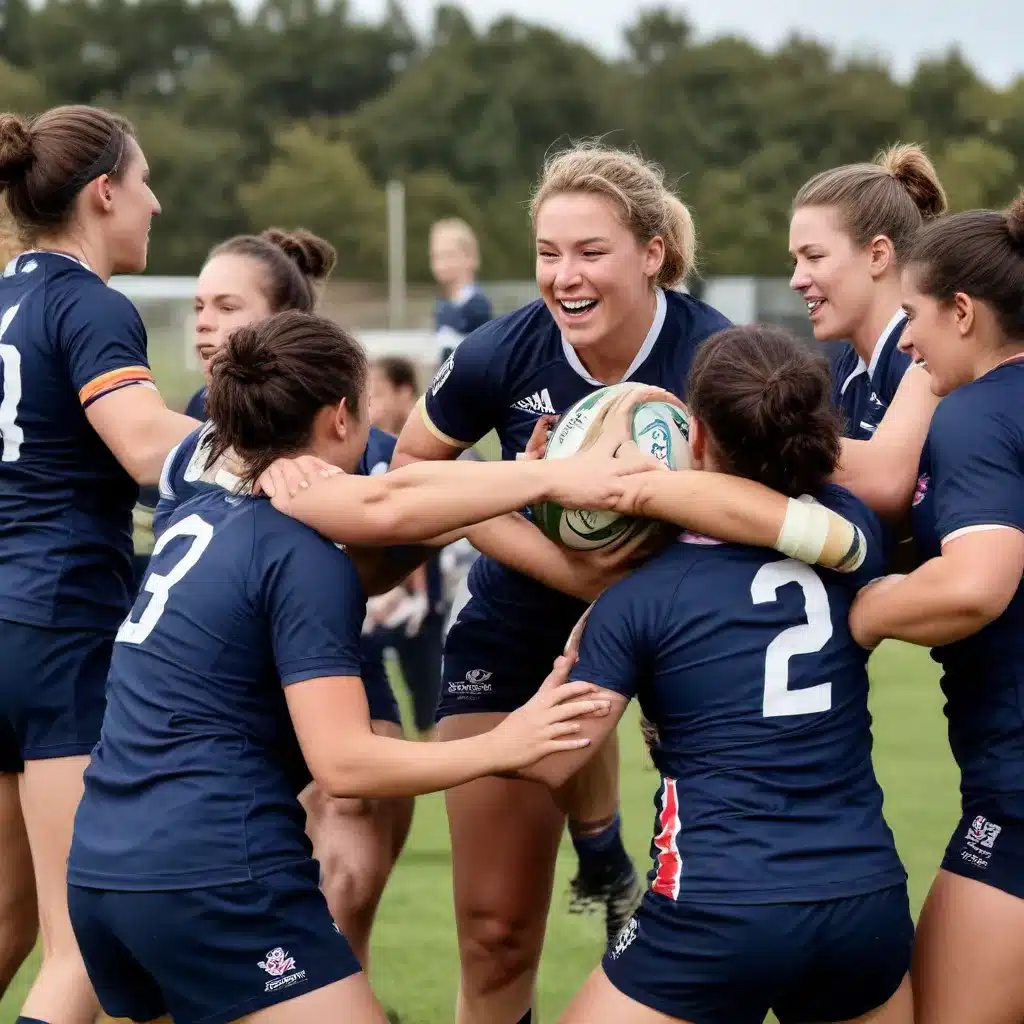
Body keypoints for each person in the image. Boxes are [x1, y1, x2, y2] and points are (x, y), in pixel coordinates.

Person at [66, 309, 636, 1024]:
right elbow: (345, 764)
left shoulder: (198, 503)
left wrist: (520, 481)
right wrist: (505, 744)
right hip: (214, 871)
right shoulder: (302, 552)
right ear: (341, 417)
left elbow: (402, 508)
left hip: (102, 867)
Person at [394, 138, 731, 1024]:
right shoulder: (500, 352)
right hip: (519, 619)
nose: (564, 276)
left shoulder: (717, 359)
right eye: (548, 254)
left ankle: (607, 845)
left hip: (684, 633)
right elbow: (411, 473)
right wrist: (555, 548)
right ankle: (603, 852)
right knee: (495, 929)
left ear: (653, 254)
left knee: (729, 922)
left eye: (591, 252)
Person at [525, 325, 912, 1024]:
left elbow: (561, 761)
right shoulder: (852, 530)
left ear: (694, 436)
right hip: (865, 900)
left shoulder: (641, 597)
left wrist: (547, 506)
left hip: (717, 903)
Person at [159, 228, 414, 971]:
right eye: (198, 304)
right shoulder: (184, 437)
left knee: (345, 891)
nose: (204, 321)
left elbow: (426, 507)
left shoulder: (355, 436)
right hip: (216, 696)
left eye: (226, 305)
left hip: (330, 673)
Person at [0, 104, 199, 1024]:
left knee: (6, 921)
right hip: (57, 624)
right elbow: (145, 446)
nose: (156, 202)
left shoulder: (4, 297)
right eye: (146, 179)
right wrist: (270, 452)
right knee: (83, 947)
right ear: (103, 192)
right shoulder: (88, 303)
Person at [848, 190, 1024, 1024]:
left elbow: (973, 584)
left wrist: (873, 610)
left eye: (915, 316)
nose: (908, 342)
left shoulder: (978, 416)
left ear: (964, 312)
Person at [789, 144, 947, 520]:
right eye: (794, 261)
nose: (796, 279)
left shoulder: (924, 350)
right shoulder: (851, 365)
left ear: (877, 255)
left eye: (814, 257)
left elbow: (885, 480)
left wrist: (731, 444)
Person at [366, 355, 447, 737]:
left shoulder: (435, 452)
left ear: (405, 393)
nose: (371, 405)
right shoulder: (363, 452)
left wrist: (418, 593)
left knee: (428, 708)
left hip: (420, 603)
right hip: (374, 600)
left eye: (378, 394)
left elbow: (418, 527)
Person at [430, 218, 492, 363]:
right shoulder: (442, 307)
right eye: (436, 256)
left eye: (449, 255)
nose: (441, 264)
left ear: (471, 257)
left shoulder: (478, 307)